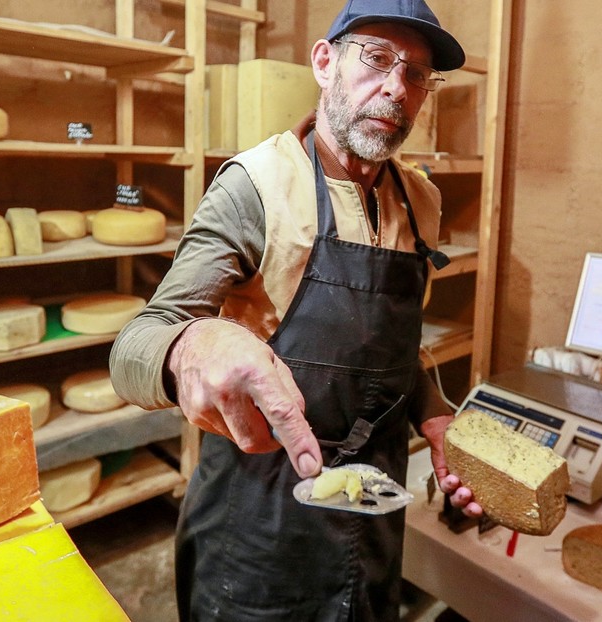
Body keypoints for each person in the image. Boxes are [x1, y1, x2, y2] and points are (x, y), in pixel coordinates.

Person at [109, 0, 482, 619]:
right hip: (260, 525)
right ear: (325, 61)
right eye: (378, 58)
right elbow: (136, 346)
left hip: (374, 515)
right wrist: (188, 347)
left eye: (417, 74)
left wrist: (436, 416)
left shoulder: (421, 199)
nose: (396, 86)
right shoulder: (254, 186)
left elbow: (391, 342)